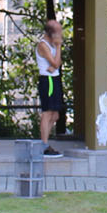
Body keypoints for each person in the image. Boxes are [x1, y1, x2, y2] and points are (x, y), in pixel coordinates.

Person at [35, 18, 65, 156]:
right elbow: (56, 62)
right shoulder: (43, 45)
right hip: (48, 80)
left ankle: (44, 139)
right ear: (51, 33)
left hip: (55, 78)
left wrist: (55, 64)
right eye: (58, 32)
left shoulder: (52, 45)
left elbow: (57, 62)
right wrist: (58, 47)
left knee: (56, 115)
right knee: (47, 112)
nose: (60, 34)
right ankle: (44, 145)